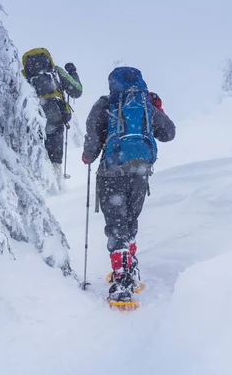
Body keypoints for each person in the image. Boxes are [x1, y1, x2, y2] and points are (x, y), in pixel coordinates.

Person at [82, 66, 175, 304]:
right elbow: (168, 134)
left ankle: (121, 281)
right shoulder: (145, 106)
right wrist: (156, 110)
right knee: (130, 220)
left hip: (111, 172)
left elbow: (92, 143)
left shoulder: (105, 105)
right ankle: (129, 269)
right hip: (140, 172)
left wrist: (88, 156)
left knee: (116, 225)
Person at [22, 49, 82, 184]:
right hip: (56, 118)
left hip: (33, 119)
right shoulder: (56, 72)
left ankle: (34, 186)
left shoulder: (24, 75)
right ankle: (57, 186)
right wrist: (73, 73)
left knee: (33, 154)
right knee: (55, 158)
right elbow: (77, 91)